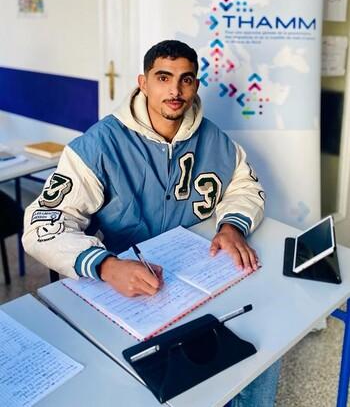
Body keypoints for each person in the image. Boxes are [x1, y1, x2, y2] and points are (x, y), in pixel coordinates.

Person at [23, 39, 280, 406]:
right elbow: (41, 225)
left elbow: (245, 186)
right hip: (129, 287)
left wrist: (232, 225)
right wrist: (106, 265)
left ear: (195, 84)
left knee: (262, 351)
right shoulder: (100, 144)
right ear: (143, 83)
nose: (175, 91)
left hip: (198, 274)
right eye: (163, 77)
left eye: (186, 79)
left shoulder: (213, 138)